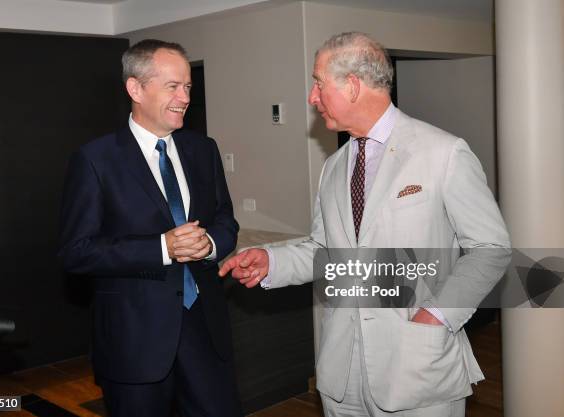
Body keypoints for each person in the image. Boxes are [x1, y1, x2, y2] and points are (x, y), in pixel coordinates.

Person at [219, 32, 510, 417]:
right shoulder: (334, 166)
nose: (311, 97)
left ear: (352, 86)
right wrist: (272, 262)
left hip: (415, 365)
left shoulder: (443, 153)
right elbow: (326, 251)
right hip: (343, 373)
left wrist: (436, 316)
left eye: (318, 83)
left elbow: (490, 249)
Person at [59, 39, 241, 417]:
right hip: (134, 343)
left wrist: (208, 244)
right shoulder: (95, 160)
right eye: (173, 86)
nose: (185, 97)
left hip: (205, 332)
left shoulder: (203, 149)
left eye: (188, 86)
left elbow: (226, 219)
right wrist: (161, 248)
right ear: (135, 88)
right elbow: (77, 251)